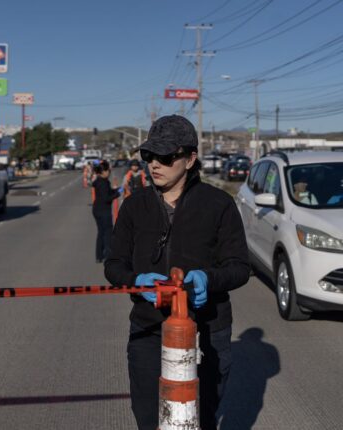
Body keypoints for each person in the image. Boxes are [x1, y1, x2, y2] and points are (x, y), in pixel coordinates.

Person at [105, 115, 251, 429]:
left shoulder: (219, 205)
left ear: (190, 159)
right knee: (148, 419)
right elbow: (114, 265)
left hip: (208, 331)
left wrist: (208, 279)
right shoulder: (134, 206)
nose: (155, 164)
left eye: (166, 156)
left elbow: (239, 267)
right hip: (148, 330)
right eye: (148, 156)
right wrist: (135, 281)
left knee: (201, 417)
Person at [92, 160, 120, 263]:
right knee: (107, 233)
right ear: (103, 171)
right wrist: (117, 194)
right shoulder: (103, 183)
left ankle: (99, 256)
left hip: (97, 209)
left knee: (101, 232)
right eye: (108, 170)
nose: (109, 172)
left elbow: (108, 192)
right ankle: (108, 256)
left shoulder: (100, 181)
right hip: (103, 210)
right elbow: (106, 198)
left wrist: (116, 190)